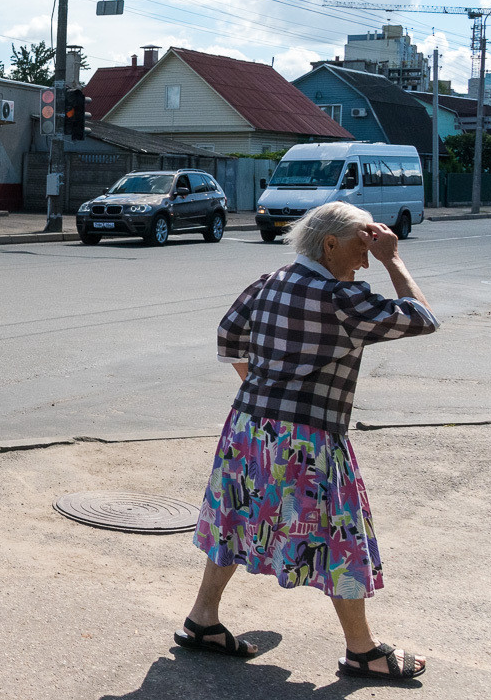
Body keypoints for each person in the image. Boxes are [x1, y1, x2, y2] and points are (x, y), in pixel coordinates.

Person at [174, 201, 438, 681]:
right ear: (330, 243)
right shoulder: (341, 297)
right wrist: (393, 260)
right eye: (364, 244)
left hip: (249, 426)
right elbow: (420, 317)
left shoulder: (269, 280)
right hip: (308, 436)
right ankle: (363, 651)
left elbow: (229, 336)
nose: (366, 257)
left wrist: (267, 387)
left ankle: (202, 620)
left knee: (235, 518)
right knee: (341, 535)